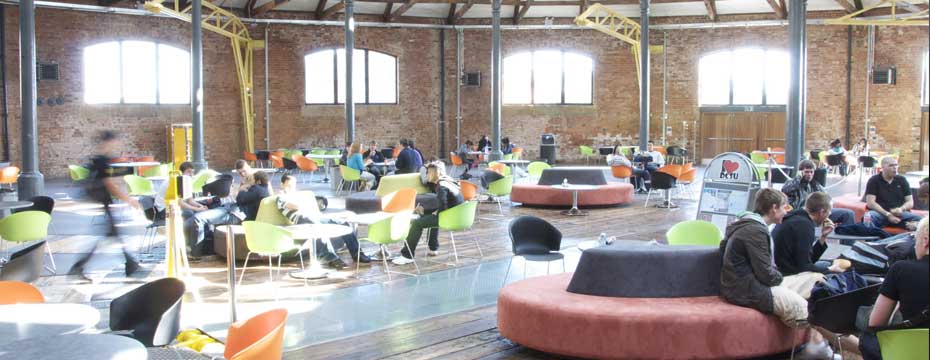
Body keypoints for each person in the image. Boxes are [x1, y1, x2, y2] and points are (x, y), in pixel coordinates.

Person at [719, 188, 835, 357]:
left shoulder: (746, 223)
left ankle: (816, 346)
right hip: (750, 289)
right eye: (783, 208)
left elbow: (724, 250)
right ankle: (850, 348)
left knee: (817, 281)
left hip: (750, 284)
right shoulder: (755, 231)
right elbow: (767, 274)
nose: (785, 213)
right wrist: (781, 277)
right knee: (808, 311)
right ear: (773, 208)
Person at [70, 130, 142, 279]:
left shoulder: (100, 159)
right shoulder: (103, 160)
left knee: (112, 234)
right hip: (104, 201)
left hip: (104, 202)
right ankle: (130, 264)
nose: (116, 144)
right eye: (114, 142)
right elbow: (109, 184)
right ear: (108, 142)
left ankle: (130, 264)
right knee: (112, 234)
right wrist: (129, 199)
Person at [859, 217, 929, 359]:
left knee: (868, 338)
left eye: (915, 240)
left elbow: (876, 324)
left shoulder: (901, 269)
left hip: (911, 351)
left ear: (926, 241)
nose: (914, 246)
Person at [276, 175, 369, 268]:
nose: (291, 188)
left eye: (293, 186)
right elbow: (294, 205)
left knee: (343, 223)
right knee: (319, 228)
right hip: (302, 219)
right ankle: (331, 258)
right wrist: (303, 203)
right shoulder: (280, 197)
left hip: (314, 216)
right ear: (282, 184)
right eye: (288, 186)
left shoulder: (296, 195)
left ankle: (357, 254)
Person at [393, 162, 463, 265]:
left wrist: (434, 212)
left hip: (450, 218)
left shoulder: (441, 186)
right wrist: (427, 211)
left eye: (428, 172)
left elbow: (443, 205)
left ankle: (407, 255)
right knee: (429, 214)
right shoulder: (448, 181)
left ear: (435, 173)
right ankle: (433, 248)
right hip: (459, 215)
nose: (426, 175)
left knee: (417, 223)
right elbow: (445, 204)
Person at [773, 192, 846, 277]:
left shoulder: (796, 217)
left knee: (826, 263)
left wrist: (823, 237)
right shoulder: (804, 226)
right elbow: (804, 267)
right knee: (835, 274)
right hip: (788, 275)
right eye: (829, 211)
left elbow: (808, 259)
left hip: (784, 268)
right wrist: (830, 270)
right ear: (822, 212)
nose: (829, 215)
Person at [781, 160, 856, 225]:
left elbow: (826, 197)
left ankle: (845, 239)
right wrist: (800, 179)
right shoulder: (792, 183)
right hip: (803, 214)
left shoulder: (815, 184)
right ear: (800, 172)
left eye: (811, 172)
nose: (809, 174)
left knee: (848, 214)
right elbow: (785, 190)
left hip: (821, 212)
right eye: (806, 172)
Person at [865, 157, 924, 230]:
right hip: (880, 213)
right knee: (869, 216)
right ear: (883, 167)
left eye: (896, 165)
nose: (895, 168)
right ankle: (871, 239)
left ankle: (905, 227)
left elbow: (910, 202)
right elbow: (870, 203)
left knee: (922, 221)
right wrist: (888, 214)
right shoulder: (874, 180)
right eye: (891, 165)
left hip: (900, 214)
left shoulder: (901, 180)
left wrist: (901, 209)